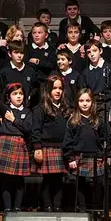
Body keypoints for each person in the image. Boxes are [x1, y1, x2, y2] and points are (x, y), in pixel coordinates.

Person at [31, 76, 70, 212]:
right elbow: (36, 129)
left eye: (60, 88)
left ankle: (57, 206)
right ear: (48, 90)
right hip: (46, 147)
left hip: (61, 148)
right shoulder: (40, 109)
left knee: (59, 179)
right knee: (47, 179)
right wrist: (37, 148)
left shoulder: (66, 108)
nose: (58, 91)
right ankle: (47, 205)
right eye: (54, 88)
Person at [0, 83, 33, 212]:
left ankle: (17, 207)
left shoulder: (27, 112)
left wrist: (14, 120)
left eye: (21, 94)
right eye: (15, 94)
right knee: (5, 180)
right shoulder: (5, 109)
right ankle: (8, 208)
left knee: (19, 180)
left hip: (19, 144)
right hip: (5, 143)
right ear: (9, 97)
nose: (18, 96)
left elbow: (27, 128)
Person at [63, 89, 106, 212]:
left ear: (92, 102)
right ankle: (82, 210)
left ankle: (97, 210)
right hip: (79, 157)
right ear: (77, 103)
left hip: (96, 157)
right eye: (81, 101)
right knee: (80, 185)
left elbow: (104, 139)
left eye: (88, 100)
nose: (85, 103)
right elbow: (68, 141)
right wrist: (70, 158)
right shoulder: (73, 120)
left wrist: (103, 154)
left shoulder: (98, 120)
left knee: (97, 185)